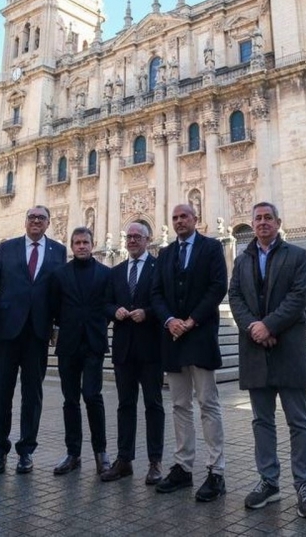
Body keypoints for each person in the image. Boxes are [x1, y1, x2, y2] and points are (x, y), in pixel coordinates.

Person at [229, 202, 306, 519]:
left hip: (289, 347)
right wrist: (254, 327)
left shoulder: (297, 255)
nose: (263, 223)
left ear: (279, 222)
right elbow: (235, 297)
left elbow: (299, 295)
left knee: (298, 420)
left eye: (269, 218)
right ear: (251, 224)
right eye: (258, 218)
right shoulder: (241, 260)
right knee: (261, 420)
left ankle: (304, 485)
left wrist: (269, 325)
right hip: (256, 349)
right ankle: (268, 482)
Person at [149, 202, 227, 503]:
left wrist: (191, 320)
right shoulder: (165, 253)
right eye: (175, 217)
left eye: (185, 216)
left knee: (208, 403)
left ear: (197, 218)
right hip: (173, 337)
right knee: (180, 404)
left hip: (200, 335)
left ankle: (216, 470)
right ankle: (183, 466)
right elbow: (156, 292)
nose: (180, 221)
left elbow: (218, 286)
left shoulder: (211, 248)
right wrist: (169, 320)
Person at [0, 205, 66, 476]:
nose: (36, 222)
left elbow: (59, 293)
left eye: (41, 218)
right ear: (25, 221)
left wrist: (57, 325)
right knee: (0, 393)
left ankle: (26, 451)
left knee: (33, 394)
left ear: (48, 223)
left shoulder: (58, 251)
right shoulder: (7, 248)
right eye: (32, 217)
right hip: (7, 330)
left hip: (38, 332)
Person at [101, 220, 164, 484]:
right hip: (124, 348)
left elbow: (164, 301)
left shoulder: (158, 268)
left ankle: (155, 462)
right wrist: (114, 311)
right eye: (129, 236)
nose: (132, 241)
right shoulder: (115, 272)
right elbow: (105, 303)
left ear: (148, 240)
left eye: (138, 236)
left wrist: (147, 312)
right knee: (125, 405)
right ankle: (124, 459)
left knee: (153, 405)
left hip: (151, 348)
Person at [48, 226, 111, 476]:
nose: (82, 246)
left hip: (93, 343)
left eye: (86, 242)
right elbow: (54, 307)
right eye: (77, 243)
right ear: (72, 246)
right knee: (70, 399)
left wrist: (96, 327)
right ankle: (73, 453)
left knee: (92, 395)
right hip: (68, 344)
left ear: (92, 244)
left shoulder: (106, 274)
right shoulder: (60, 275)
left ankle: (101, 452)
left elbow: (108, 306)